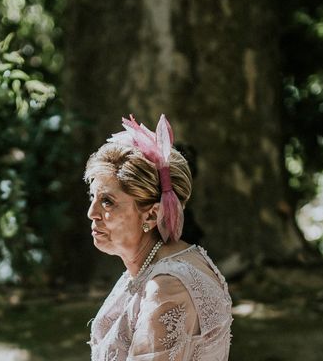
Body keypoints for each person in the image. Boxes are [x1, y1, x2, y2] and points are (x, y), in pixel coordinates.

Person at [85, 114, 232, 361]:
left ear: (152, 215)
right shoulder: (155, 266)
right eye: (93, 197)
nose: (92, 213)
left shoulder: (166, 288)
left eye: (107, 201)